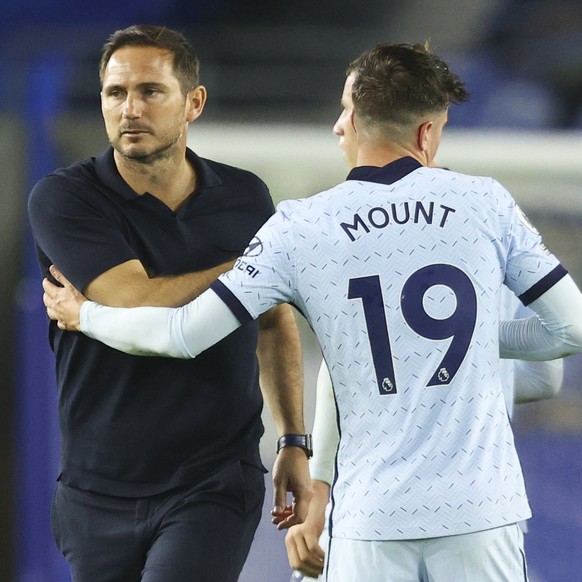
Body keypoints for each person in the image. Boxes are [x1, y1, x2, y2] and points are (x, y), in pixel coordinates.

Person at [42, 42, 582, 582]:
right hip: (482, 509)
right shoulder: (484, 203)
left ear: (354, 122)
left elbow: (182, 334)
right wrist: (463, 335)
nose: (336, 125)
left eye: (344, 111)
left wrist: (86, 316)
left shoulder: (303, 227)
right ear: (427, 134)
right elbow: (568, 334)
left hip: (370, 516)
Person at [27, 24, 311, 582]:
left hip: (213, 479)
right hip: (95, 490)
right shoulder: (65, 197)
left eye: (150, 92)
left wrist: (293, 440)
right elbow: (133, 302)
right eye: (115, 93)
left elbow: (276, 321)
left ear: (193, 103)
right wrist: (252, 271)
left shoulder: (245, 196)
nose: (130, 109)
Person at [284, 59, 565, 581]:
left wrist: (318, 488)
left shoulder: (359, 242)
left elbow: (335, 383)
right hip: (477, 504)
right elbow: (548, 377)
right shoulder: (487, 233)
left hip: (370, 506)